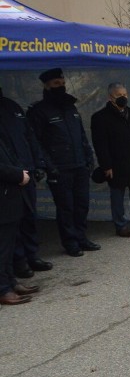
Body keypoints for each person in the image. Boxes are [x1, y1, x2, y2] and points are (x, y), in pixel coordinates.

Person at [27, 68, 100, 257]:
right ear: (46, 86)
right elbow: (36, 142)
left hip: (79, 165)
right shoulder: (39, 111)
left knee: (82, 204)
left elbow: (81, 135)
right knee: (66, 207)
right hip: (60, 168)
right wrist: (49, 166)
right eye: (56, 84)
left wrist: (88, 157)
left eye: (62, 83)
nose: (61, 86)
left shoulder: (70, 107)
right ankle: (70, 242)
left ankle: (82, 238)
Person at [0, 87, 53, 278]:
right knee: (13, 222)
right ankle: (19, 262)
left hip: (26, 171)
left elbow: (30, 137)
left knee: (30, 217)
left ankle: (32, 255)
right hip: (10, 177)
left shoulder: (12, 107)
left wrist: (38, 163)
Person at [90, 83, 130, 238]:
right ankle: (120, 225)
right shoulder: (100, 117)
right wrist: (106, 165)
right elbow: (100, 144)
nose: (123, 98)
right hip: (116, 163)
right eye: (119, 96)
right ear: (110, 97)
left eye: (125, 95)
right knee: (117, 195)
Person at [0, 133, 36, 305]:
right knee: (2, 248)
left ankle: (10, 282)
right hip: (3, 199)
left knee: (8, 246)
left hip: (9, 198)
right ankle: (3, 289)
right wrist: (18, 175)